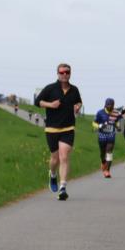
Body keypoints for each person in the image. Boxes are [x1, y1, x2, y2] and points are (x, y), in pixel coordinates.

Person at [34, 63, 83, 200]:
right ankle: (53, 174)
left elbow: (79, 102)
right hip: (52, 128)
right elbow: (37, 102)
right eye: (61, 72)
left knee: (64, 156)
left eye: (67, 72)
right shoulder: (50, 88)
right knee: (54, 158)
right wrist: (51, 105)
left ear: (70, 73)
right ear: (57, 73)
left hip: (68, 128)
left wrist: (77, 107)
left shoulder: (74, 90)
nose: (64, 75)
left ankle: (63, 188)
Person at [92, 98, 122, 178]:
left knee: (109, 151)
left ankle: (107, 170)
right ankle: (103, 162)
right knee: (102, 153)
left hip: (111, 134)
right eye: (108, 104)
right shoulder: (100, 113)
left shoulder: (116, 113)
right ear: (105, 104)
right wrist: (99, 126)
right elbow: (94, 123)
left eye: (112, 105)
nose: (110, 106)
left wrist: (118, 127)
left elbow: (117, 121)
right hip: (102, 135)